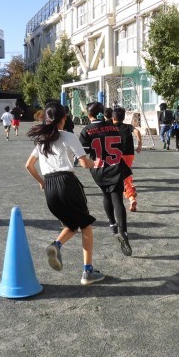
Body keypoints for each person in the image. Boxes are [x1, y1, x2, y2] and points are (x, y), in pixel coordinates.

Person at [25, 102, 105, 285]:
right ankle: (88, 271)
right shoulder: (68, 136)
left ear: (46, 119)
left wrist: (42, 183)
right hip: (67, 183)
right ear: (64, 118)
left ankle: (56, 245)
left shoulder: (41, 140)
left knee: (72, 224)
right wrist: (96, 163)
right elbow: (84, 163)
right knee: (86, 226)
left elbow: (28, 165)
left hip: (50, 187)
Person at [80, 101, 133, 256]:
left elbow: (83, 152)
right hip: (116, 166)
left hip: (99, 168)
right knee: (118, 200)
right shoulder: (113, 127)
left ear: (89, 114)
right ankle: (123, 231)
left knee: (106, 195)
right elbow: (121, 146)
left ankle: (112, 224)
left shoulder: (87, 130)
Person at [112, 107, 142, 212]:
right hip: (129, 154)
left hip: (117, 154)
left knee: (121, 177)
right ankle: (131, 187)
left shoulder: (111, 127)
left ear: (113, 118)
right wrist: (139, 144)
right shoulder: (128, 126)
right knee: (126, 174)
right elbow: (137, 131)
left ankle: (131, 197)